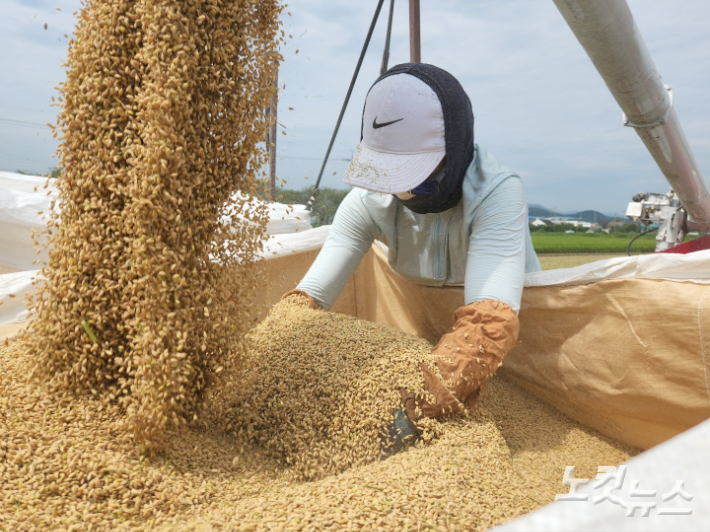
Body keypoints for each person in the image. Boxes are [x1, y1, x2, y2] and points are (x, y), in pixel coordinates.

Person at [285, 62, 541, 425]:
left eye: (417, 179)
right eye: (389, 176)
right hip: (427, 349)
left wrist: (415, 408)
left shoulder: (495, 194)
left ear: (454, 151)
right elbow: (309, 298)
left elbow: (487, 325)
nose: (402, 192)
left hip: (514, 363)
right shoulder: (368, 202)